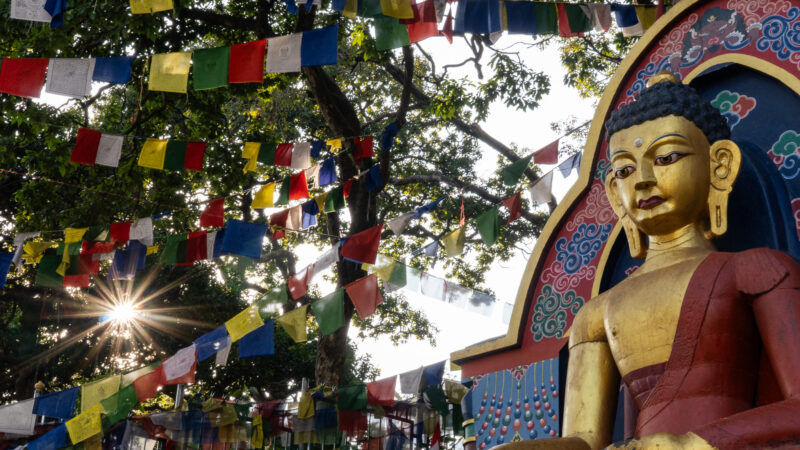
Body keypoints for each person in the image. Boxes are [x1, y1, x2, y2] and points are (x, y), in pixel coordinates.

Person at [498, 74, 800, 450]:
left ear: (719, 166)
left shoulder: (758, 270)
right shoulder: (596, 314)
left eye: (666, 158)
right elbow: (585, 440)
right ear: (613, 191)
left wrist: (689, 444)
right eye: (625, 170)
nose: (642, 180)